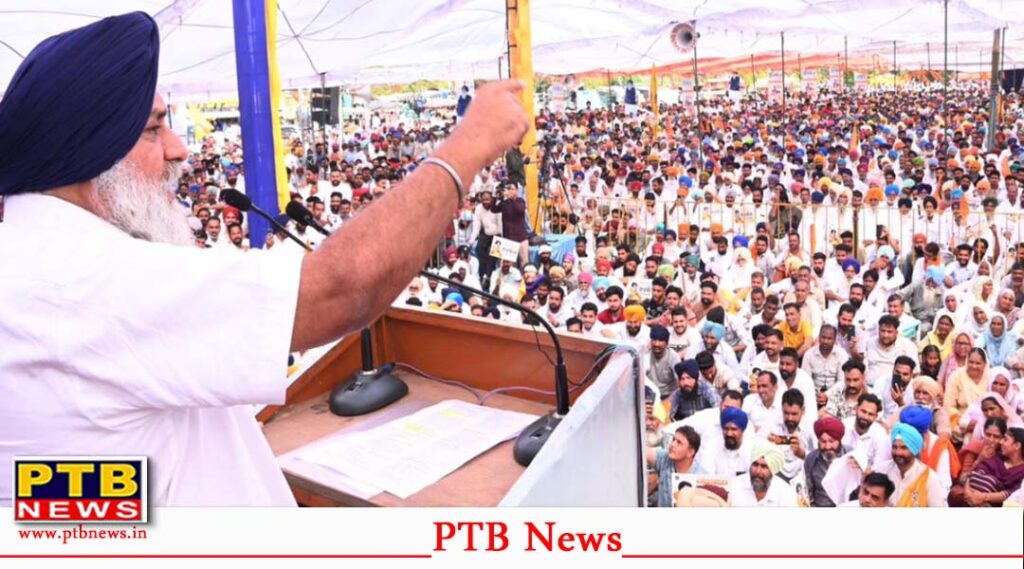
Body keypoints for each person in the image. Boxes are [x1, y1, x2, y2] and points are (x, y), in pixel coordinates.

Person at [0, 13, 530, 506]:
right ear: (86, 148)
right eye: (152, 129)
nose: (179, 149)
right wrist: (469, 147)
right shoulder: (84, 281)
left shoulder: (29, 263)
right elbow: (340, 288)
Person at [645, 425, 705, 507]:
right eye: (673, 440)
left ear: (690, 452)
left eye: (679, 442)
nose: (672, 444)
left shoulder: (702, 478)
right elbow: (642, 451)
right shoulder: (665, 458)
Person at [728, 439, 798, 507]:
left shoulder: (786, 493)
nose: (758, 471)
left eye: (764, 467)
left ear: (773, 470)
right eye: (755, 465)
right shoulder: (734, 486)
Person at [945, 348, 992, 442]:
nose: (974, 366)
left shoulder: (991, 377)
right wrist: (965, 423)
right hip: (961, 422)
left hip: (988, 422)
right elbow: (948, 405)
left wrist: (981, 423)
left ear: (984, 364)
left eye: (978, 363)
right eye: (971, 362)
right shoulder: (956, 376)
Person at [804, 417, 846, 507]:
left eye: (831, 441)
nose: (827, 446)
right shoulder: (811, 459)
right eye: (823, 441)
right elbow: (808, 492)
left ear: (839, 440)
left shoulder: (850, 456)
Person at [647, 325, 682, 399]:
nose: (656, 344)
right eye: (654, 340)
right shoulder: (646, 354)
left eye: (660, 341)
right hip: (649, 395)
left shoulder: (673, 356)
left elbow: (680, 379)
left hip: (669, 395)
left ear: (666, 343)